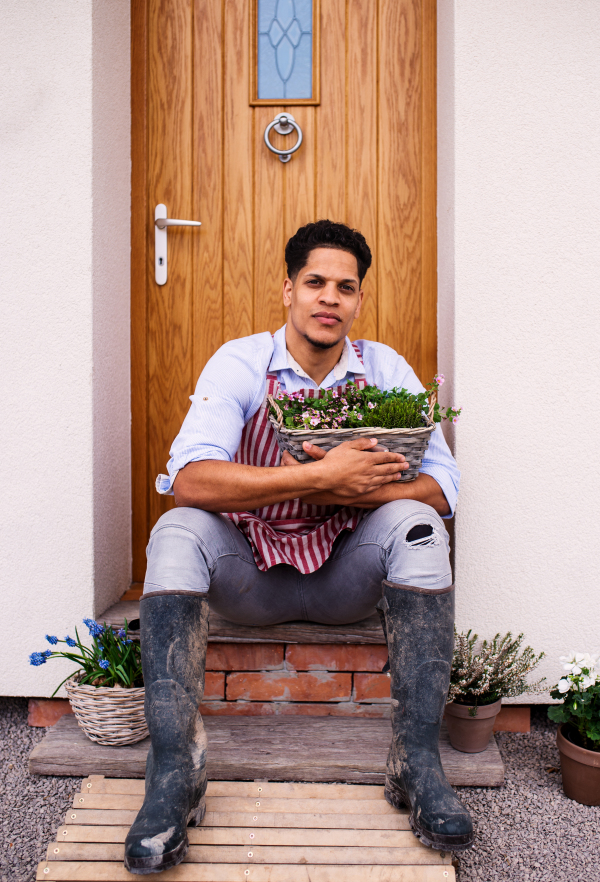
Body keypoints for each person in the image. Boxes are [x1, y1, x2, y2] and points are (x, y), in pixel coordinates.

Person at [124, 220, 474, 874]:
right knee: (175, 530)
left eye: (346, 287)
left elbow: (444, 488)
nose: (329, 298)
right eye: (315, 282)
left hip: (345, 577)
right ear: (288, 289)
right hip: (250, 579)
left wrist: (351, 492)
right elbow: (190, 479)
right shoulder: (241, 362)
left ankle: (417, 764)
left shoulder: (384, 369)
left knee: (420, 526)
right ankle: (174, 772)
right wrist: (316, 476)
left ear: (359, 301)